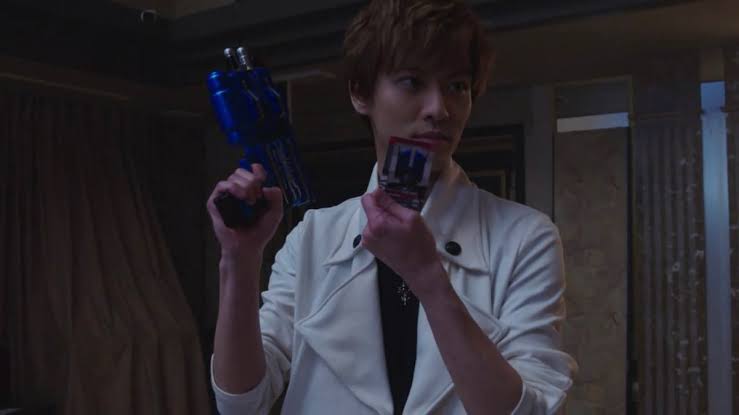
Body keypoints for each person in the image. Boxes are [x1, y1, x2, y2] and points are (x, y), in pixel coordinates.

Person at [207, 0, 577, 414]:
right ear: (360, 93)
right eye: (412, 82)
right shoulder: (313, 237)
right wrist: (238, 262)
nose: (440, 109)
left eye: (457, 86)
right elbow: (241, 402)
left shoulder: (525, 237)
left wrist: (428, 278)